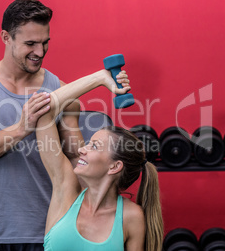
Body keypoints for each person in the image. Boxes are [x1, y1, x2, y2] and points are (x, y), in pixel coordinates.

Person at [0, 0, 83, 250]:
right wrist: (21, 128)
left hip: (48, 232)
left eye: (45, 43)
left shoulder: (62, 92)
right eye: (30, 43)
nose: (39, 52)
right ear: (5, 37)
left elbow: (78, 163)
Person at [35, 69, 164, 251]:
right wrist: (100, 78)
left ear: (115, 166)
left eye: (94, 146)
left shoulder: (131, 217)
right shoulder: (66, 190)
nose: (81, 149)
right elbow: (43, 111)